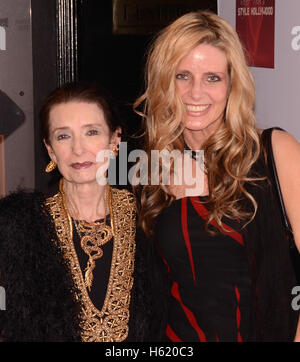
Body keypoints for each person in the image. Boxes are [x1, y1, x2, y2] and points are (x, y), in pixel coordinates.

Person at [134, 11, 300, 342]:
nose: (196, 94)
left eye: (212, 78)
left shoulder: (274, 151)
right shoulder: (152, 164)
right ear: (164, 81)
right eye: (182, 76)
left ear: (232, 85)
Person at [0, 82, 143, 342]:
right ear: (50, 148)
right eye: (63, 136)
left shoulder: (148, 219)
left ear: (115, 139)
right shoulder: (22, 228)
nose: (78, 149)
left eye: (92, 132)